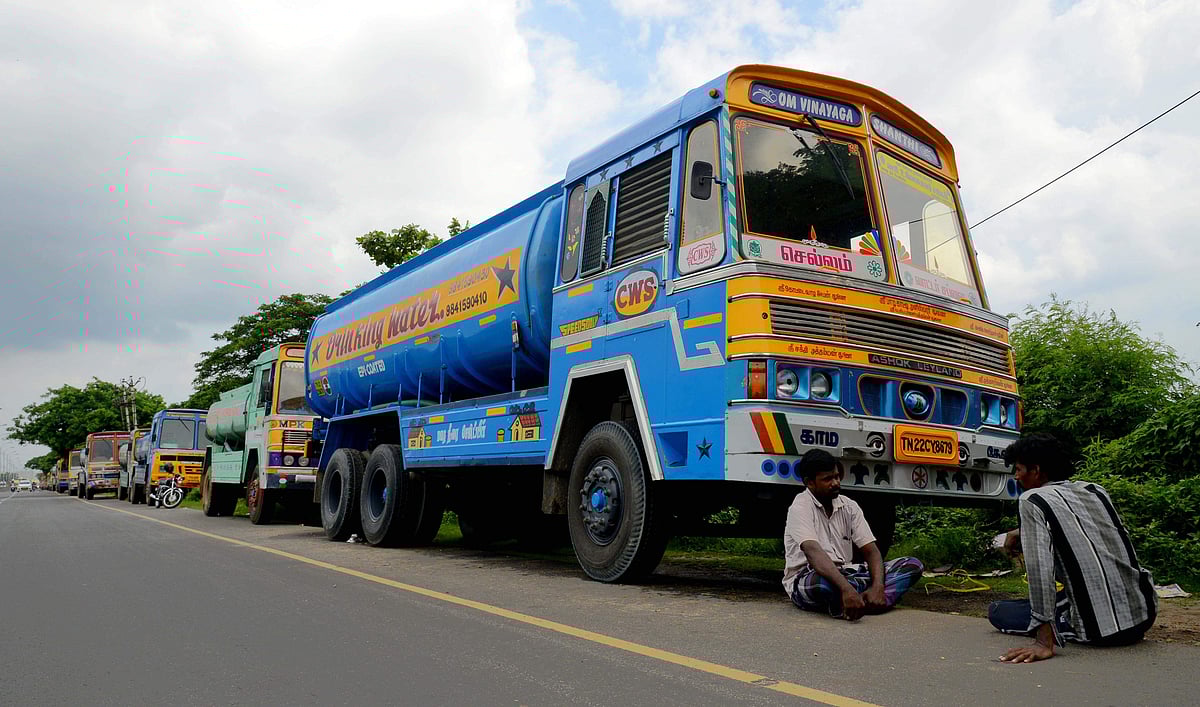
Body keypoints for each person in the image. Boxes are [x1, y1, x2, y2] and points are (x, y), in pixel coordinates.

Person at [991, 433, 1157, 663]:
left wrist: (1043, 641)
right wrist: (1020, 533)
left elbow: (1040, 569)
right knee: (1058, 596)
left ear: (1036, 470)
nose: (1016, 476)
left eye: (1019, 469)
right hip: (1143, 616)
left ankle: (1055, 629)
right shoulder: (1094, 490)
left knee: (998, 611)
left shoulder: (1031, 499)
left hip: (1101, 630)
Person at [783, 449, 923, 619]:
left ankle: (865, 600)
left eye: (836, 476)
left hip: (849, 573)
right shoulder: (800, 508)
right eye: (827, 479)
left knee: (912, 565)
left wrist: (877, 586)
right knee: (821, 585)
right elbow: (814, 553)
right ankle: (862, 599)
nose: (835, 483)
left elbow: (871, 551)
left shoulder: (849, 506)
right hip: (811, 576)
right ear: (809, 482)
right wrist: (846, 589)